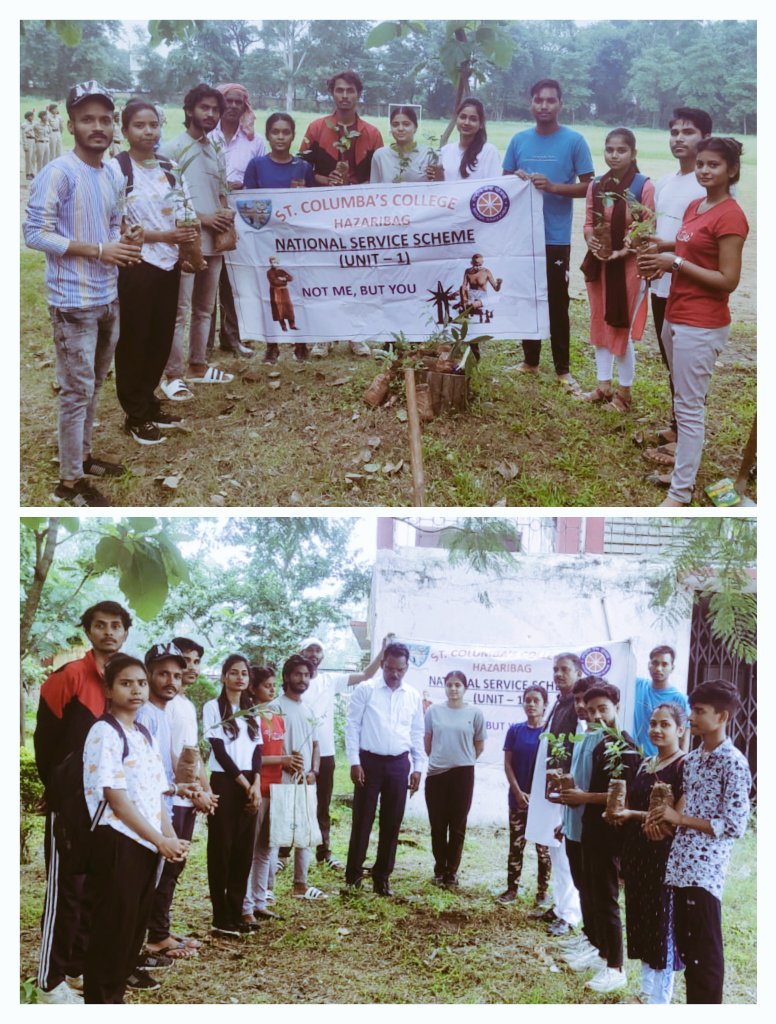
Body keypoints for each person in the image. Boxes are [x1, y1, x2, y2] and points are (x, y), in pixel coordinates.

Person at [24, 80, 141, 506]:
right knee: (75, 391)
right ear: (71, 124)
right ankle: (69, 483)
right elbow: (34, 234)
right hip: (73, 302)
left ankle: (85, 456)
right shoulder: (58, 172)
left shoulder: (112, 170)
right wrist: (97, 249)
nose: (98, 126)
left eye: (105, 119)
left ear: (113, 126)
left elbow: (112, 219)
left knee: (93, 385)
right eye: (87, 119)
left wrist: (120, 238)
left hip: (107, 295)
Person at [637, 137, 749, 506]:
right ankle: (680, 473)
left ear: (731, 170)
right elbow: (687, 246)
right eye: (700, 163)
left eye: (713, 165)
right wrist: (662, 245)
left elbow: (727, 280)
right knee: (682, 400)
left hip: (702, 323)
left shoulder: (730, 216)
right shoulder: (694, 205)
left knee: (688, 408)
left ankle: (680, 492)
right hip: (677, 313)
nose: (704, 170)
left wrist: (677, 263)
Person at [33, 601, 132, 1003]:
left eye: (116, 626)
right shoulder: (69, 676)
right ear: (89, 631)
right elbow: (44, 742)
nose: (109, 632)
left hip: (108, 806)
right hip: (70, 806)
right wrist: (58, 793)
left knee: (96, 889)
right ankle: (49, 981)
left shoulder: (127, 680)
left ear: (126, 632)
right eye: (100, 625)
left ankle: (76, 968)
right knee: (66, 892)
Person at [82, 654, 189, 1003]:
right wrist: (158, 839)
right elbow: (117, 798)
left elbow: (155, 793)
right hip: (118, 842)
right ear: (108, 689)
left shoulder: (142, 732)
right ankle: (101, 1000)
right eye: (126, 683)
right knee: (112, 930)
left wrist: (169, 835)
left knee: (132, 931)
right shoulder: (104, 732)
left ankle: (115, 998)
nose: (136, 690)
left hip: (145, 845)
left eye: (141, 682)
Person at [649, 679, 751, 1004]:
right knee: (688, 952)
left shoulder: (733, 762)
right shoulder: (692, 759)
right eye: (691, 710)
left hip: (705, 875)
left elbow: (735, 825)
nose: (691, 717)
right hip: (679, 866)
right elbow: (685, 803)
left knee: (705, 959)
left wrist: (680, 820)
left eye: (699, 711)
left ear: (721, 717)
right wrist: (665, 818)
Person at [112, 99, 197, 445]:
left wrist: (189, 248)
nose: (148, 132)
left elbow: (185, 210)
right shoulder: (117, 170)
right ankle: (134, 413)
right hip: (137, 264)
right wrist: (163, 236)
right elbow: (116, 225)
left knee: (161, 336)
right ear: (125, 130)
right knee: (135, 338)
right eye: (139, 126)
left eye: (153, 125)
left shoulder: (169, 166)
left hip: (169, 263)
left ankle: (148, 402)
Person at [503, 78, 595, 391]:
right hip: (523, 237)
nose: (544, 106)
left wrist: (554, 187)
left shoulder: (575, 141)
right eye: (539, 100)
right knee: (528, 299)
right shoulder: (518, 140)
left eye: (551, 100)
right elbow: (503, 184)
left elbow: (590, 186)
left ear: (560, 104)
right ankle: (530, 361)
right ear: (530, 103)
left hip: (555, 236)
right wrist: (515, 179)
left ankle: (563, 370)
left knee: (557, 301)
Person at [556, 682, 642, 995]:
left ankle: (615, 968)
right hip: (590, 831)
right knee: (590, 893)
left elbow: (622, 797)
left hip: (610, 836)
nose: (596, 715)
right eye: (591, 710)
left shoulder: (625, 747)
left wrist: (582, 797)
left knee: (606, 899)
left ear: (616, 706)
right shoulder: (597, 742)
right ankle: (600, 951)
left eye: (602, 709)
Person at [643, 108, 711, 468]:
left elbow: (702, 241)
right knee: (671, 361)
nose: (678, 138)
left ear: (705, 138)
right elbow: (665, 232)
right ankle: (678, 426)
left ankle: (687, 437)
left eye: (688, 131)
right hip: (662, 283)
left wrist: (672, 258)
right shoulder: (668, 181)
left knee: (686, 366)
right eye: (674, 131)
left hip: (690, 284)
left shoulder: (706, 184)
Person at [299, 69, 383, 358]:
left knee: (356, 271)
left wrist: (354, 187)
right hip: (323, 214)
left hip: (359, 216)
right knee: (325, 272)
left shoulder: (372, 134)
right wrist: (328, 181)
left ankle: (356, 333)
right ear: (331, 93)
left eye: (350, 90)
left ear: (359, 94)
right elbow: (303, 170)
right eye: (339, 90)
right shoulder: (316, 129)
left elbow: (379, 177)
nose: (345, 96)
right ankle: (324, 335)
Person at [162, 83, 235, 397]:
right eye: (204, 108)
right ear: (189, 110)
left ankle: (198, 365)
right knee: (179, 309)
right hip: (187, 240)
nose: (211, 114)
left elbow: (221, 192)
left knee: (205, 308)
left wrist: (223, 214)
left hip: (215, 242)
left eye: (216, 110)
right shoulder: (171, 149)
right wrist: (204, 218)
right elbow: (166, 201)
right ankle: (171, 374)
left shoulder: (215, 148)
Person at [146, 636, 215, 959]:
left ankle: (161, 929)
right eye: (182, 662)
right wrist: (194, 791)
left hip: (185, 796)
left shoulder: (184, 704)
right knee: (162, 869)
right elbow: (171, 757)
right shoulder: (160, 706)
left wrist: (204, 789)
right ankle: (154, 935)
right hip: (169, 799)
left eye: (193, 662)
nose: (188, 669)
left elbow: (193, 753)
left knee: (173, 870)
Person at [577, 128, 655, 413]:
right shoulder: (596, 185)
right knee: (599, 322)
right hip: (601, 263)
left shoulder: (642, 185)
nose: (614, 155)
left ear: (633, 153)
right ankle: (603, 385)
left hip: (629, 267)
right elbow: (588, 222)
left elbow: (646, 225)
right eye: (609, 149)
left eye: (621, 150)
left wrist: (627, 247)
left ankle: (624, 392)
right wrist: (593, 241)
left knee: (619, 324)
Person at [614, 703, 687, 1004]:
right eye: (653, 723)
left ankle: (660, 999)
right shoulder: (646, 763)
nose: (657, 729)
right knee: (641, 919)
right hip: (638, 853)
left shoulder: (684, 766)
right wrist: (623, 815)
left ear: (680, 730)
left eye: (665, 724)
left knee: (661, 924)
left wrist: (630, 813)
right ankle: (645, 991)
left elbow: (674, 817)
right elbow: (633, 803)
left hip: (663, 855)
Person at [343, 642, 426, 896]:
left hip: (399, 764)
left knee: (392, 823)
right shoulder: (366, 690)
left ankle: (382, 877)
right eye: (390, 668)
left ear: (407, 667)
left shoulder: (412, 695)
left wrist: (418, 767)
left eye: (400, 669)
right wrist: (354, 762)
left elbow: (416, 732)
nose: (395, 674)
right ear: (382, 665)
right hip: (369, 763)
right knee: (363, 820)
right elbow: (352, 726)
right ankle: (354, 875)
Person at [298, 636, 385, 870]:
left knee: (322, 803)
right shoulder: (294, 682)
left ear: (322, 656)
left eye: (318, 651)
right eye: (309, 650)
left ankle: (323, 851)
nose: (314, 655)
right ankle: (285, 853)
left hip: (325, 753)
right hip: (297, 753)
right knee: (295, 801)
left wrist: (383, 650)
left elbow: (366, 675)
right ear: (301, 654)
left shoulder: (330, 680)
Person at [244, 114, 315, 364]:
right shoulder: (257, 165)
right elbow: (247, 204)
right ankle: (272, 345)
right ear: (268, 134)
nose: (281, 137)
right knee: (269, 292)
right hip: (266, 240)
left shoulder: (303, 167)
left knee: (297, 289)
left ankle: (301, 342)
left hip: (295, 240)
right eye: (275, 132)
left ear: (293, 135)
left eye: (286, 132)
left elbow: (314, 206)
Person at [202, 654, 263, 937]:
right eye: (234, 672)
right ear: (224, 676)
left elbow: (258, 750)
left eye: (245, 674)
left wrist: (256, 783)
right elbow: (219, 750)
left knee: (243, 849)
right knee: (221, 849)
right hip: (226, 782)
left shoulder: (253, 711)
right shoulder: (213, 708)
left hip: (250, 782)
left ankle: (237, 910)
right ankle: (220, 916)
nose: (240, 678)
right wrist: (242, 783)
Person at [525, 652, 585, 936]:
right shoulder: (561, 701)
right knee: (553, 845)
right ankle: (560, 907)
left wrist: (568, 787)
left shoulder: (579, 705)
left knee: (564, 853)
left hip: (564, 789)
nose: (558, 674)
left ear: (578, 672)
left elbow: (580, 750)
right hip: (550, 788)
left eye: (565, 670)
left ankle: (570, 914)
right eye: (555, 670)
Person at [207, 82, 266, 357]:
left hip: (241, 217)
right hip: (209, 215)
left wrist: (242, 187)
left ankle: (231, 337)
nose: (232, 106)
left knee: (233, 280)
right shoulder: (206, 136)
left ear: (245, 106)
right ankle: (202, 344)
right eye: (227, 101)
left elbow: (260, 180)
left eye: (238, 102)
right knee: (206, 280)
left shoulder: (255, 141)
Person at [554, 676, 604, 972]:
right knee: (584, 887)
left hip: (594, 831)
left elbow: (610, 792)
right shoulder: (582, 734)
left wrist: (582, 798)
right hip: (574, 826)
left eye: (588, 701)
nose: (583, 707)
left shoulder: (612, 741)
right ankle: (589, 938)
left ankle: (602, 951)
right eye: (578, 701)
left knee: (599, 893)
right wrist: (564, 820)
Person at [267, 655, 327, 900]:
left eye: (306, 675)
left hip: (304, 781)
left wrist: (313, 771)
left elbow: (315, 746)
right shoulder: (275, 707)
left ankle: (301, 885)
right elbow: (270, 744)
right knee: (274, 834)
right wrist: (285, 761)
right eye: (297, 674)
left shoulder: (309, 709)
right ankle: (267, 888)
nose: (302, 679)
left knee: (305, 831)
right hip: (280, 780)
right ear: (287, 677)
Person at [243, 667, 295, 924]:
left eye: (274, 685)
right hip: (257, 789)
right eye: (266, 685)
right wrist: (282, 759)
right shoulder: (249, 717)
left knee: (266, 847)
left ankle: (260, 900)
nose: (272, 690)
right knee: (249, 849)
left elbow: (281, 749)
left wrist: (291, 761)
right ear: (253, 688)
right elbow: (251, 758)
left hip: (276, 788)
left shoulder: (277, 716)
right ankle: (245, 905)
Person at [424, 671, 485, 887]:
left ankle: (452, 871)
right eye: (449, 684)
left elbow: (479, 745)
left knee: (457, 825)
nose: (453, 689)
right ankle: (439, 868)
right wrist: (443, 758)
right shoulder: (433, 711)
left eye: (458, 685)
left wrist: (462, 759)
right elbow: (427, 742)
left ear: (465, 688)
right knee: (438, 825)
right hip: (436, 774)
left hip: (463, 774)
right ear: (444, 687)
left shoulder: (475, 713)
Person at [497, 685, 551, 906]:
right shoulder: (515, 730)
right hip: (517, 798)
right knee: (516, 846)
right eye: (527, 700)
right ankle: (511, 889)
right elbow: (508, 765)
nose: (530, 704)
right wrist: (518, 792)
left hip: (542, 802)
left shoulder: (550, 733)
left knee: (543, 849)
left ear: (545, 705)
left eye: (536, 700)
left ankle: (542, 892)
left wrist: (540, 797)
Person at [632, 645, 690, 755]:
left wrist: (680, 765)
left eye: (664, 664)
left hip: (660, 761)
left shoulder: (679, 698)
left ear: (672, 668)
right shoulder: (637, 685)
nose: (658, 668)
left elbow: (684, 736)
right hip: (632, 758)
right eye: (655, 663)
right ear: (649, 665)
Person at [437, 98, 502, 182]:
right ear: (456, 119)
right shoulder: (445, 151)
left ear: (481, 124)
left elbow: (493, 187)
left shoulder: (489, 151)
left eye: (473, 119)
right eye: (462, 117)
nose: (466, 122)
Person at [370, 106, 434, 184]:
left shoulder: (428, 154)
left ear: (415, 128)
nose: (400, 128)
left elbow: (438, 187)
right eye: (395, 125)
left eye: (406, 124)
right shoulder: (380, 155)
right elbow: (373, 189)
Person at [34, 109, 52, 174]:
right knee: (40, 160)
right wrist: (35, 138)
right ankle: (38, 175)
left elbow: (50, 133)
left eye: (46, 116)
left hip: (47, 143)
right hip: (40, 143)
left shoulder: (48, 124)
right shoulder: (36, 125)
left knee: (46, 161)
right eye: (44, 116)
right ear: (41, 117)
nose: (46, 117)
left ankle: (45, 175)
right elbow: (29, 132)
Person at [21, 110, 36, 180]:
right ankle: (28, 173)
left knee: (33, 158)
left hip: (33, 140)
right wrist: (25, 145)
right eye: (30, 116)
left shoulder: (33, 123)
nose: (32, 117)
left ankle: (32, 172)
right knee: (28, 158)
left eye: (32, 116)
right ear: (27, 117)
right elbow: (23, 135)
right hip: (28, 140)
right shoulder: (24, 125)